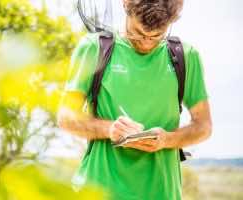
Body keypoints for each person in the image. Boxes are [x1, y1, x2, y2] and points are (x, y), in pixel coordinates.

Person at [57, 0, 212, 199]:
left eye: (157, 36)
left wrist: (167, 140)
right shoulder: (94, 48)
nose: (147, 42)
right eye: (138, 33)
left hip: (161, 193)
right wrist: (110, 129)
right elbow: (66, 117)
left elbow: (204, 126)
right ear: (125, 5)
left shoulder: (186, 56)